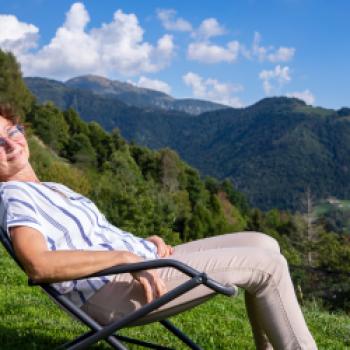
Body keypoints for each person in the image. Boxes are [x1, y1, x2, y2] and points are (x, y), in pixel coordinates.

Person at [0, 103, 317, 350]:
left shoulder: (53, 187)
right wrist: (125, 258)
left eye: (12, 132)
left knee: (263, 244)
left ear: (23, 133)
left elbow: (96, 237)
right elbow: (37, 264)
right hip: (112, 289)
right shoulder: (14, 196)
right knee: (267, 265)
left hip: (143, 261)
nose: (10, 144)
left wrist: (141, 243)